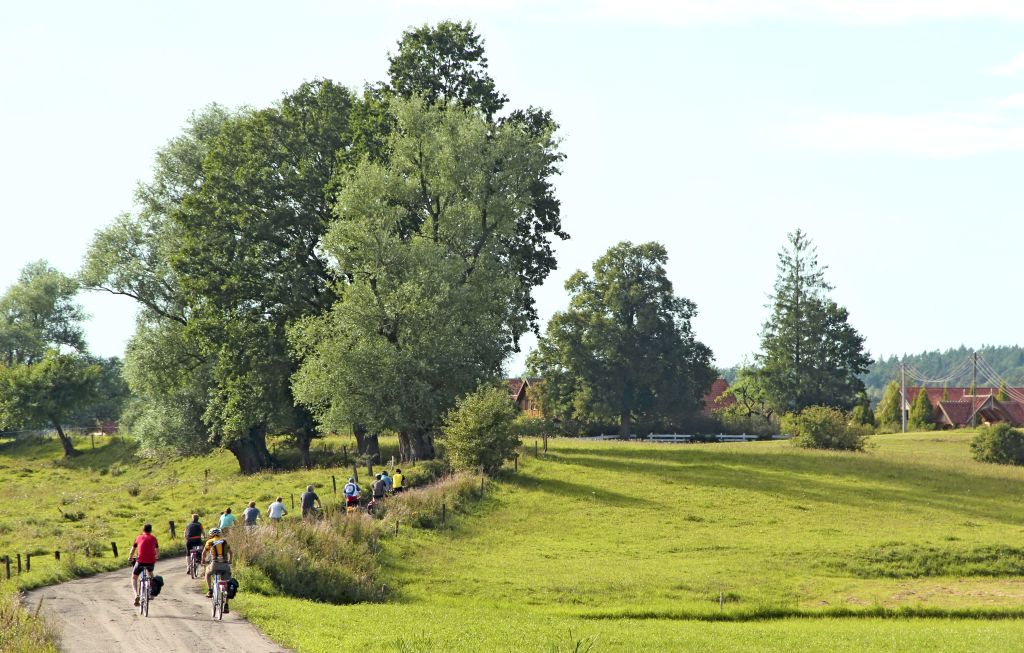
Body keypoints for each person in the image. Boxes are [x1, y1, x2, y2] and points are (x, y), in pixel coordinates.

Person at [201, 527, 233, 613]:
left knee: (207, 573)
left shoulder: (210, 541)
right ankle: (226, 605)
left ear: (211, 535)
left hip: (214, 565)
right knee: (227, 584)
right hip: (225, 565)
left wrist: (203, 560)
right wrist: (230, 561)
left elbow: (204, 553)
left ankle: (210, 591)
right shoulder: (225, 541)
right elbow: (231, 552)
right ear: (219, 534)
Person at [127, 523, 159, 606]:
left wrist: (130, 557)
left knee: (134, 578)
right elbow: (157, 550)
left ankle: (136, 595)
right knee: (151, 575)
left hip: (140, 561)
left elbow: (132, 550)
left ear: (143, 530)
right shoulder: (154, 538)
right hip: (151, 562)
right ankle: (151, 591)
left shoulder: (138, 537)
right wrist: (156, 557)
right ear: (151, 530)